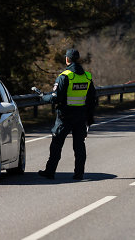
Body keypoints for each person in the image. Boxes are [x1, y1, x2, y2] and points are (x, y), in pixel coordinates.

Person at [38, 49, 96, 180]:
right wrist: (90, 117)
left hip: (65, 117)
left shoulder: (64, 76)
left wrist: (43, 96)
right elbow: (92, 99)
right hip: (80, 116)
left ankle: (50, 171)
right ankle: (79, 173)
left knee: (56, 145)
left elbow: (55, 98)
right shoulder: (87, 76)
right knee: (79, 146)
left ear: (67, 59)